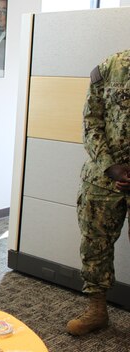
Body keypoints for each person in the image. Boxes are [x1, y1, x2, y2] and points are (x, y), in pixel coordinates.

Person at [66, 50, 130, 336]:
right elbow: (92, 121)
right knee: (95, 245)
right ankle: (97, 310)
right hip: (105, 178)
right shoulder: (110, 67)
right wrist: (109, 166)